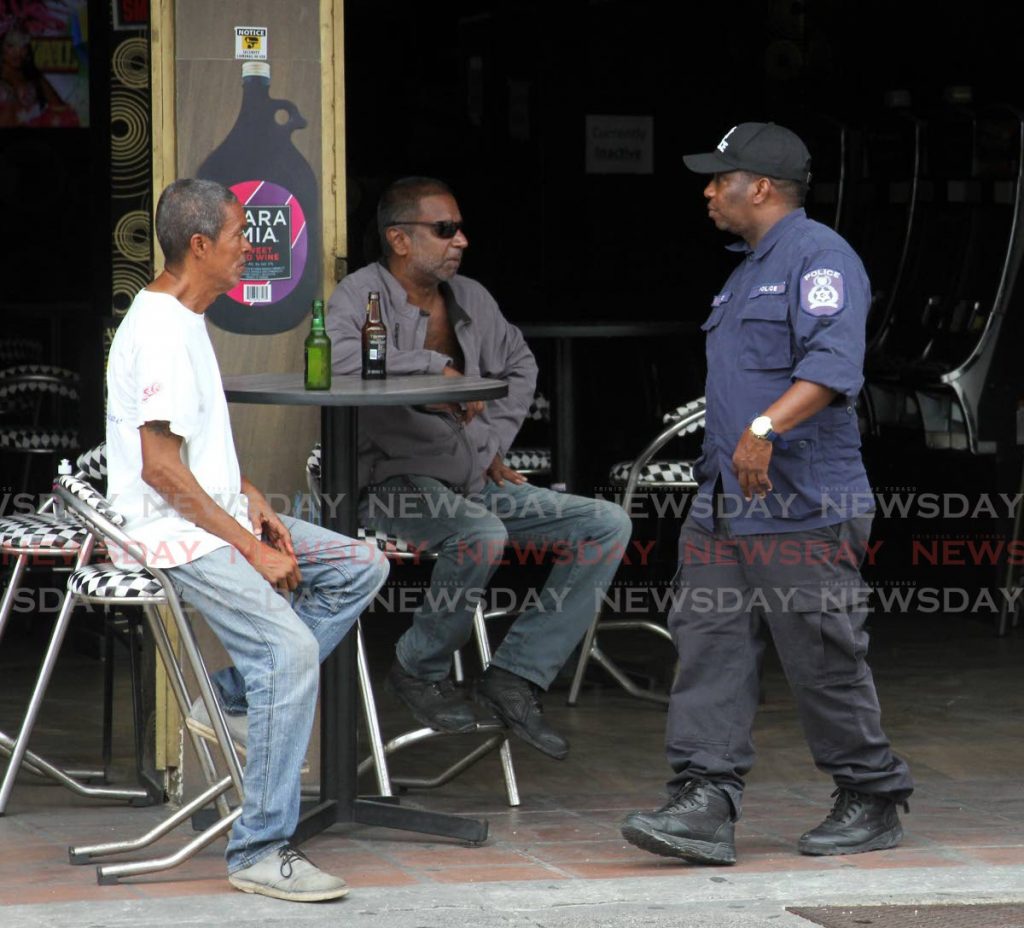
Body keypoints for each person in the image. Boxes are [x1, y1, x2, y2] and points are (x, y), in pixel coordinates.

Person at [621, 123, 913, 864]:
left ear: (762, 186)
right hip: (727, 499)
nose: (709, 190)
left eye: (721, 177)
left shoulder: (820, 259)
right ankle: (705, 800)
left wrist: (762, 428)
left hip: (801, 501)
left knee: (820, 653)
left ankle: (872, 793)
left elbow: (833, 363)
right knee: (708, 645)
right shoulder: (748, 268)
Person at [106, 179, 389, 902]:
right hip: (173, 534)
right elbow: (161, 471)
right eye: (239, 237)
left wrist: (253, 499)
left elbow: (192, 453)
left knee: (361, 565)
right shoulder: (164, 330)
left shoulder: (184, 315)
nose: (251, 250)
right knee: (289, 649)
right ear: (199, 246)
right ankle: (260, 848)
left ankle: (233, 694)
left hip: (212, 512)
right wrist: (253, 547)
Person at [325, 176, 633, 760]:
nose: (460, 241)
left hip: (468, 479)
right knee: (480, 534)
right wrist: (430, 369)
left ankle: (516, 674)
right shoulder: (362, 294)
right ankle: (418, 667)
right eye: (444, 230)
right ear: (399, 239)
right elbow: (338, 360)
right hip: (391, 484)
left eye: (460, 229)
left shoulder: (473, 298)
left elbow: (520, 364)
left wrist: (489, 442)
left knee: (606, 523)